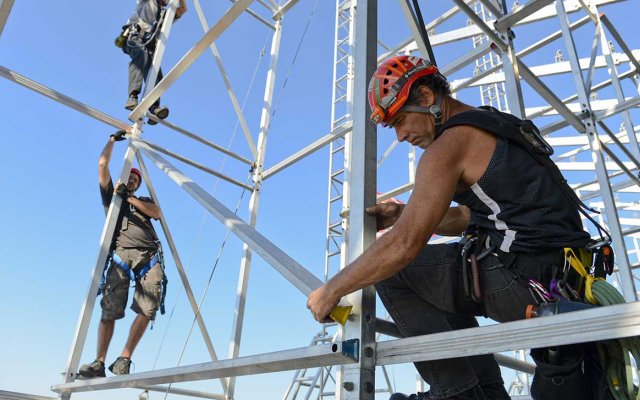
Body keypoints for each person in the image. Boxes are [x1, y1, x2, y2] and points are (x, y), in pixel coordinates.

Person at [306, 55, 591, 399]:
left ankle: (460, 392)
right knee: (432, 272)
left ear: (426, 97)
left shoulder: (447, 147)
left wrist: (333, 290)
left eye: (399, 119)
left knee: (394, 270)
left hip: (522, 279)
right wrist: (401, 213)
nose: (399, 136)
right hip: (564, 278)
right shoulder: (491, 123)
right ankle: (481, 391)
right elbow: (471, 218)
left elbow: (404, 245)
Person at [78, 131, 165, 377]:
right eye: (130, 178)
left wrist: (131, 198)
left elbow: (156, 213)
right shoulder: (112, 199)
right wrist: (112, 140)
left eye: (137, 180)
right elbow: (102, 164)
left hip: (148, 257)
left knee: (148, 309)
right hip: (121, 256)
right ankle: (99, 362)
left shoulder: (142, 201)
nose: (134, 181)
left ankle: (124, 358)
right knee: (110, 310)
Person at [122, 0, 187, 125]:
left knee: (156, 73)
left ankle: (153, 107)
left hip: (150, 46)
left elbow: (182, 9)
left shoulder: (164, 14)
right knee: (141, 55)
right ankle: (132, 96)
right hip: (135, 37)